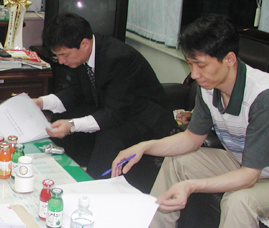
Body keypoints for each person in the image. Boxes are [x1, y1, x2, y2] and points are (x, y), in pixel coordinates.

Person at [111, 14, 269, 228]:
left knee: (239, 201)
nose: (194, 74)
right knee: (178, 160)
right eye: (190, 64)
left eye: (201, 65)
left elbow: (249, 177)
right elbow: (191, 140)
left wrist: (191, 186)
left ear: (229, 59)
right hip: (247, 162)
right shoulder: (209, 87)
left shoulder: (266, 99)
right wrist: (144, 147)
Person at [33, 12, 174, 178]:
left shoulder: (119, 58)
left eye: (64, 55)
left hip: (144, 119)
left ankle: (94, 184)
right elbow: (77, 91)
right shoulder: (82, 55)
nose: (61, 61)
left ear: (84, 44)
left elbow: (114, 114)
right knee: (61, 118)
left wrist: (72, 125)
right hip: (113, 108)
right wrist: (42, 102)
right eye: (57, 56)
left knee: (108, 137)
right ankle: (55, 173)